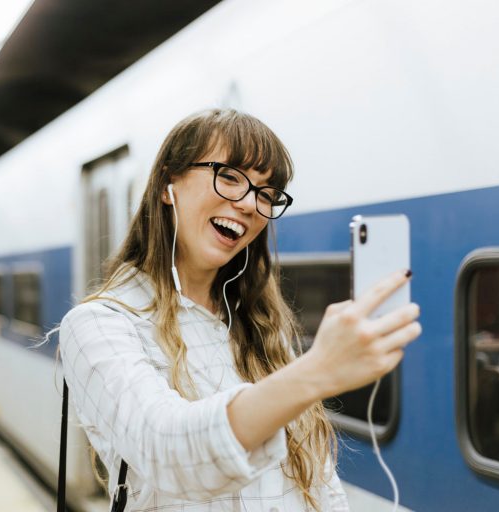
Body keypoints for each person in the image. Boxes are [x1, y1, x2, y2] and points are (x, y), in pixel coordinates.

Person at [59, 109, 421, 511]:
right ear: (167, 184)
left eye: (267, 194)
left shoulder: (263, 325)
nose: (250, 203)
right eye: (229, 176)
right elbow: (165, 452)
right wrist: (316, 372)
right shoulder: (100, 324)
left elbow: (317, 478)